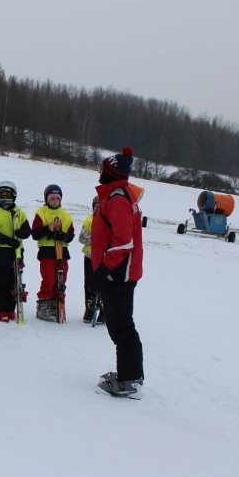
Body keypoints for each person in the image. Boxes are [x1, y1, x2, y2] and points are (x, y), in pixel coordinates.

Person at [92, 147, 145, 398]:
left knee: (122, 326)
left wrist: (104, 269)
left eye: (102, 169)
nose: (99, 173)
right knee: (117, 324)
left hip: (118, 274)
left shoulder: (117, 198)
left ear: (111, 172)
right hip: (119, 273)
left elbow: (123, 241)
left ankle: (131, 379)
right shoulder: (118, 194)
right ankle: (127, 373)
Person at [0, 181, 31, 323]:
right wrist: (8, 240)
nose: (5, 197)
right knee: (2, 282)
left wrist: (21, 233)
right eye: (2, 194)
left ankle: (10, 308)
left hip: (16, 252)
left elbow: (28, 230)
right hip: (0, 251)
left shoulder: (19, 212)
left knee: (14, 282)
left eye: (8, 194)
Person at [30, 183, 75, 322]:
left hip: (62, 252)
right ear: (46, 199)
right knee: (49, 279)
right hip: (47, 251)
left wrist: (64, 236)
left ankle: (56, 303)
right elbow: (35, 234)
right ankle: (44, 306)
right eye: (52, 198)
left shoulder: (65, 215)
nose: (55, 200)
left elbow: (71, 234)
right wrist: (47, 231)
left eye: (57, 198)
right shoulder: (41, 212)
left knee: (61, 279)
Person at [78, 196, 104, 325]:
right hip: (90, 256)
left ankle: (104, 310)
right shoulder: (89, 220)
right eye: (96, 206)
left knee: (104, 284)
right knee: (89, 283)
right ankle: (89, 308)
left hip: (104, 258)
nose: (98, 208)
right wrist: (96, 238)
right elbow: (82, 238)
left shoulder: (108, 220)